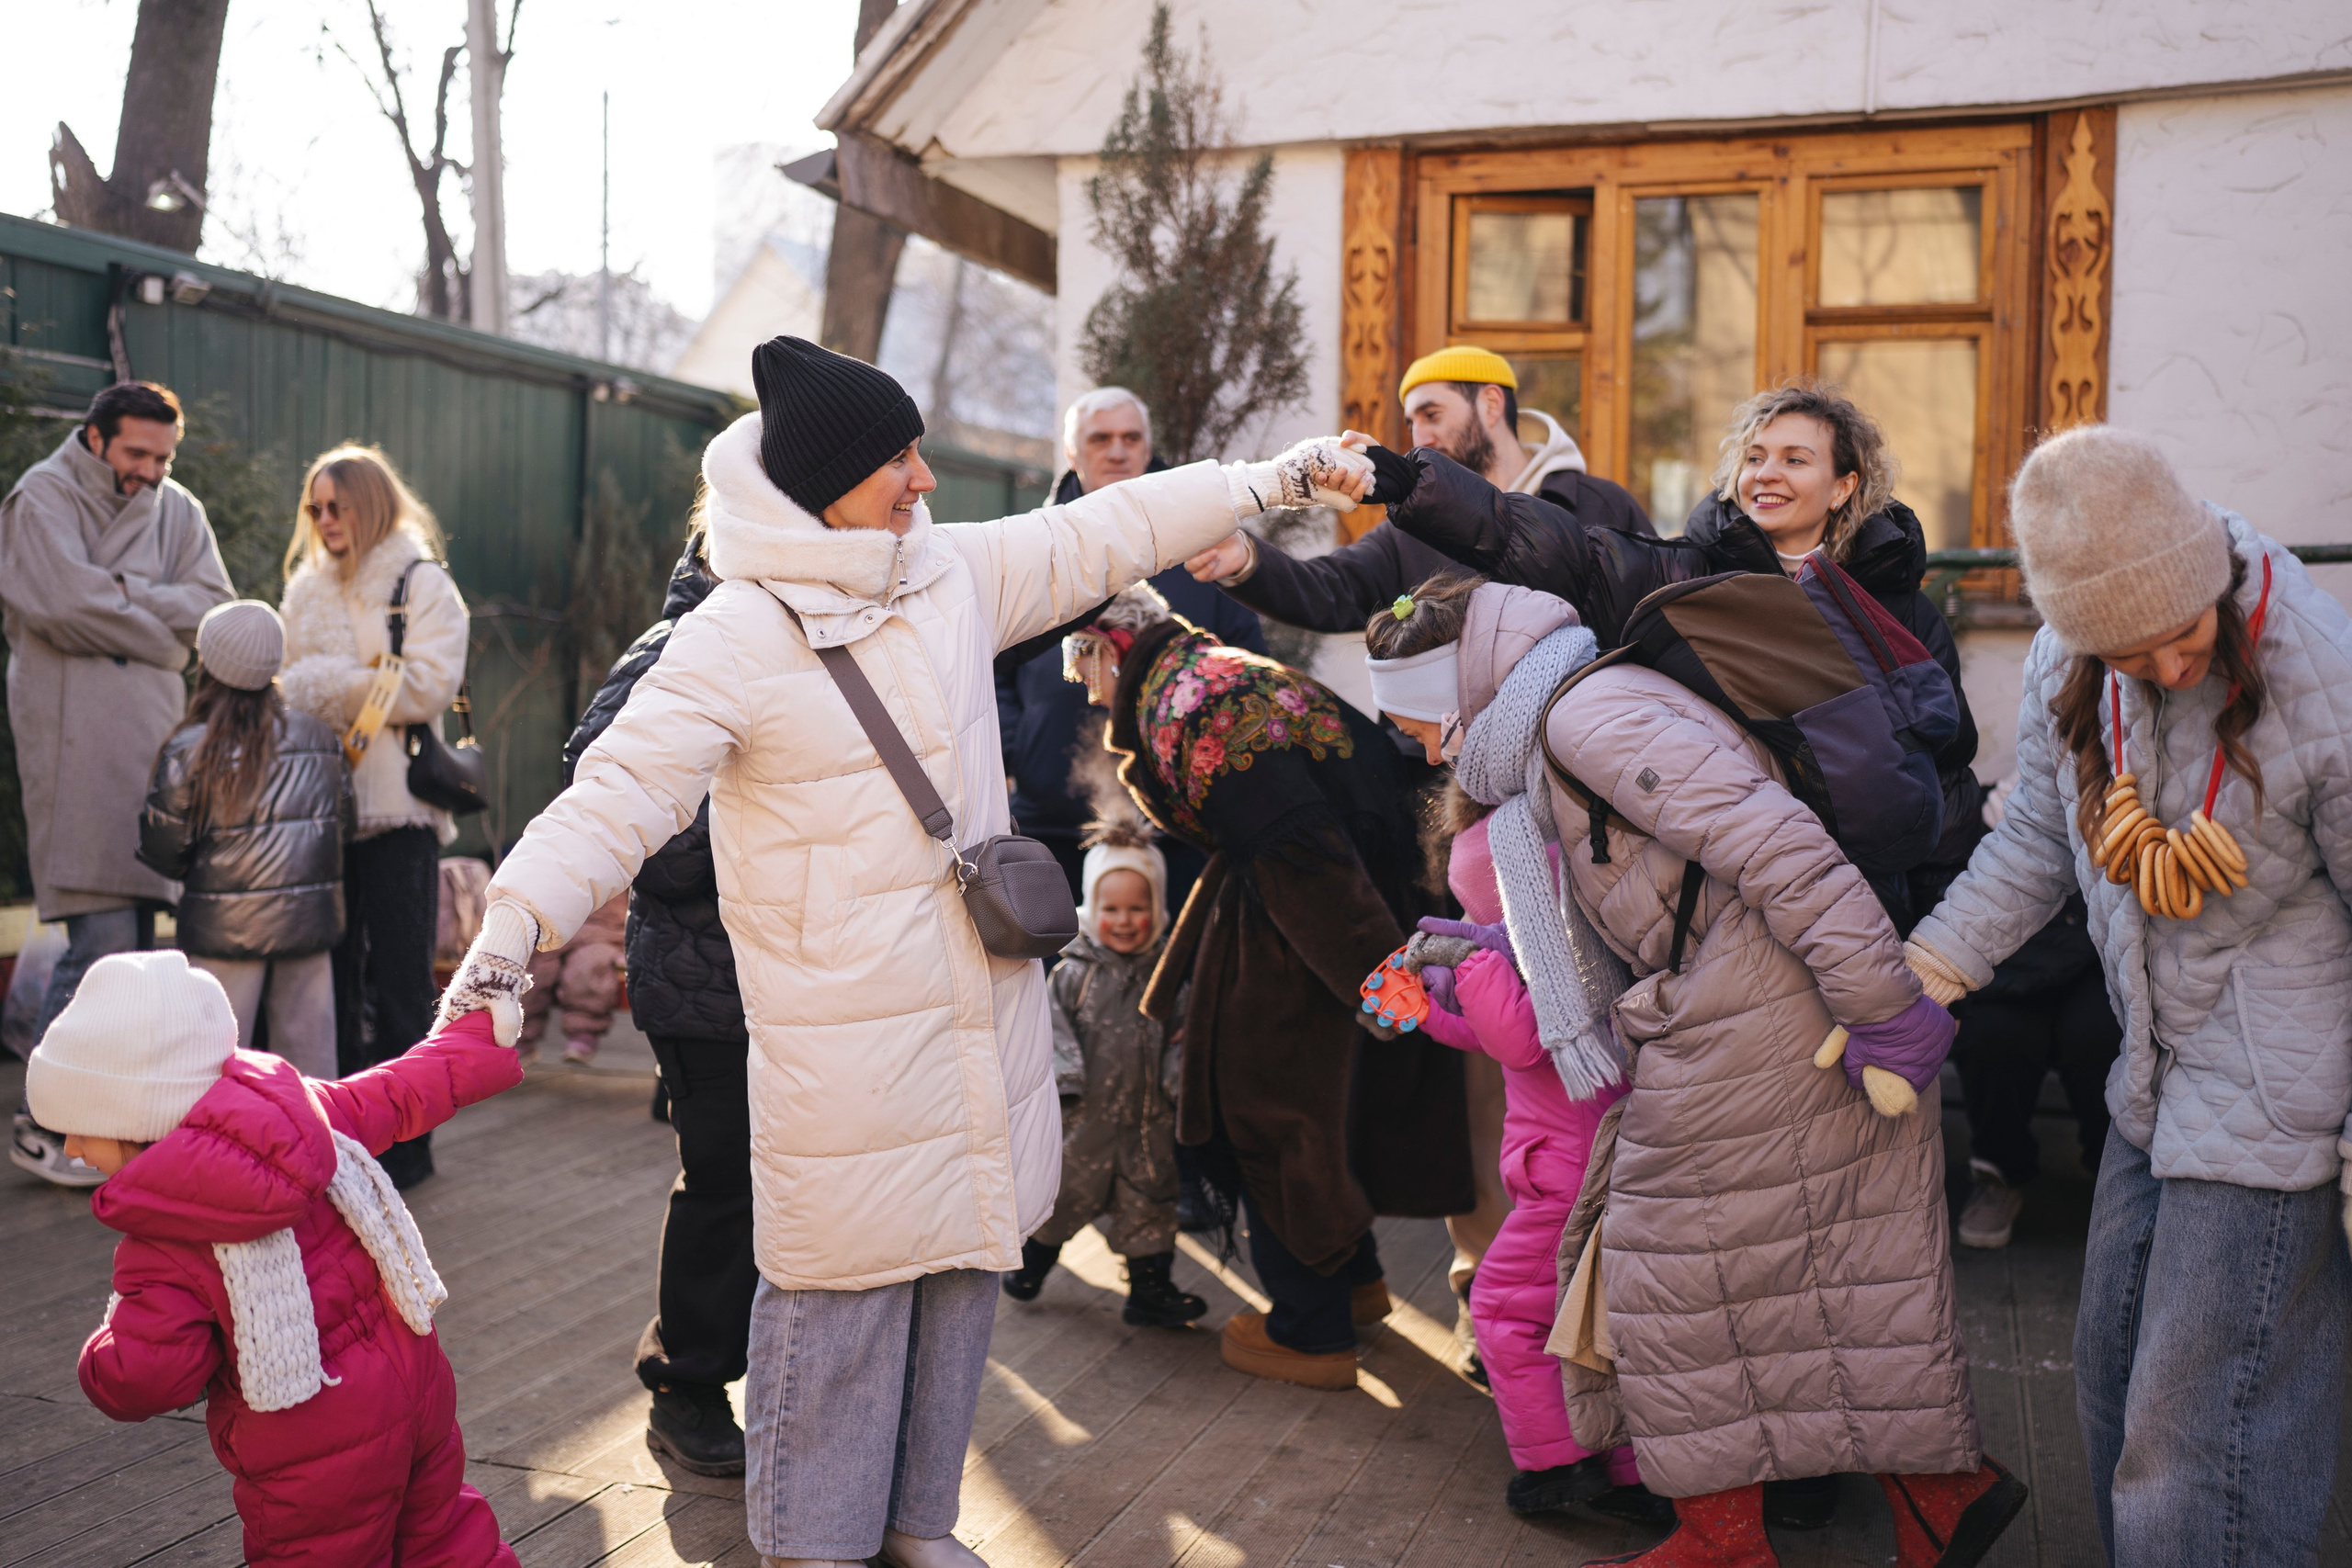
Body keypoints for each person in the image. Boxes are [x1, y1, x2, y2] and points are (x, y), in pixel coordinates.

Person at [434, 335, 1370, 1568]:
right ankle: (813, 1545)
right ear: (824, 482)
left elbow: (1114, 525)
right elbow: (616, 794)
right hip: (846, 1037)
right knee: (839, 1303)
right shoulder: (736, 629)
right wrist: (512, 929)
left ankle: (918, 1522)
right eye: (897, 459)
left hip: (976, 1009)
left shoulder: (946, 572)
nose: (924, 477)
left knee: (962, 1270)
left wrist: (1272, 478)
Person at [1905, 426, 2352, 1566]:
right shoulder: (2069, 662)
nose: (2163, 668)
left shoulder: (2317, 670)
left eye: (2183, 635)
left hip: (2273, 1089)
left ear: (2207, 573)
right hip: (2150, 1073)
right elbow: (2035, 853)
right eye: (2126, 650)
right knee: (2107, 1381)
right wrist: (1928, 973)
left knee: (2197, 1428)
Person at [1527, 581, 2023, 1567]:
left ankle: (1739, 1537)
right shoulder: (1581, 717)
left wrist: (1883, 1011)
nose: (1428, 727)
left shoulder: (1589, 713)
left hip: (1771, 1003)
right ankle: (1934, 1497)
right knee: (1816, 1280)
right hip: (1762, 997)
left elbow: (1782, 850)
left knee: (1672, 1269)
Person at [1067, 581, 1473, 1392]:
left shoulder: (1189, 704)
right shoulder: (1209, 671)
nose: (1086, 691)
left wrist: (1385, 982)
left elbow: (1302, 851)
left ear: (1111, 646)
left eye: (1083, 670)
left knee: (1269, 1103)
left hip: (1325, 906)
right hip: (1341, 891)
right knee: (1321, 1097)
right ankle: (1352, 1284)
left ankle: (1309, 1328)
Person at [25, 948, 525, 1568]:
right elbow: (399, 1091)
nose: (71, 1147)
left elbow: (149, 1376)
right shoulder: (299, 1113)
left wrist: (103, 1353)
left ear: (138, 1118)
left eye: (79, 1125)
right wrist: (478, 1032)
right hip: (413, 1381)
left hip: (311, 1442)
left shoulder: (165, 1236)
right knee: (443, 1534)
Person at [1360, 576, 1657, 1527]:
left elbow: (1526, 1028)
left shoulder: (1517, 867)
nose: (1411, 742)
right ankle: (1622, 1471)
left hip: (1565, 1152)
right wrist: (1435, 996)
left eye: (1414, 721)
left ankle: (1554, 1470)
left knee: (1507, 1312)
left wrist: (1457, 966)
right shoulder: (1543, 812)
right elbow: (1514, 1021)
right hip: (1582, 1137)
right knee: (1590, 1314)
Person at [560, 531, 757, 1479]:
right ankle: (687, 1385)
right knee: (725, 1181)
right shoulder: (673, 648)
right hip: (701, 972)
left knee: (780, 1181)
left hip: (780, 972)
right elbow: (618, 810)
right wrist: (771, 841)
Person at [1, 379, 233, 1185]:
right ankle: (43, 1123)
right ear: (95, 438)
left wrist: (126, 607)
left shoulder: (180, 509)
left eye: (164, 457)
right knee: (97, 938)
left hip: (152, 744)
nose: (151, 471)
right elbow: (54, 600)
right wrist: (156, 624)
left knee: (138, 947)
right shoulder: (42, 497)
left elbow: (211, 610)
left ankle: (114, 1136)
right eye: (137, 453)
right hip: (73, 739)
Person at [278, 445, 469, 1190]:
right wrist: (353, 685)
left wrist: (326, 683)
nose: (325, 521)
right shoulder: (305, 592)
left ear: (372, 502)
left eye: (338, 505)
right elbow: (284, 691)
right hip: (319, 811)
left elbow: (424, 687)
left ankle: (409, 1144)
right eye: (314, 508)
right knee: (330, 982)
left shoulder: (419, 583)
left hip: (399, 812)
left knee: (399, 984)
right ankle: (346, 1135)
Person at [999, 386, 1267, 903]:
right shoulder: (1028, 549)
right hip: (1054, 825)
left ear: (1147, 450)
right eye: (1100, 439)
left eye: (1131, 438)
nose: (1117, 451)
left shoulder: (1201, 543)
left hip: (1179, 826)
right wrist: (1017, 753)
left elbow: (1247, 662)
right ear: (1072, 453)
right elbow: (988, 666)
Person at [1184, 345, 1654, 636]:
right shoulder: (1410, 526)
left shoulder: (1600, 504)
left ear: (1490, 403)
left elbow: (1650, 614)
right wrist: (1246, 559)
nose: (1419, 438)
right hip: (1436, 766)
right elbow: (1332, 590)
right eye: (1411, 422)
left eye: (1432, 415)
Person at [1001, 823, 1206, 1329]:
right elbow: (1051, 1026)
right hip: (1085, 1117)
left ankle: (1150, 1288)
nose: (1124, 921)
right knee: (1066, 1199)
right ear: (1092, 908)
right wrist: (1065, 1082)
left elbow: (1182, 1033)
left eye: (1138, 908)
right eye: (1110, 909)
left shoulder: (1166, 972)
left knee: (1150, 1200)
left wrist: (1180, 1082)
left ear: (1157, 909)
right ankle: (1031, 1265)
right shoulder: (1074, 971)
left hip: (1146, 1118)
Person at [136, 601, 354, 1076]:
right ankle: (319, 1151)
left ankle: (217, 1152)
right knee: (312, 1072)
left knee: (210, 1068)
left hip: (223, 931)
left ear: (209, 665)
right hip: (308, 925)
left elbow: (162, 848)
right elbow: (342, 830)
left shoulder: (190, 749)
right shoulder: (321, 739)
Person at [1948, 893, 2120, 1248]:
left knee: (2099, 1038)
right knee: (1993, 1036)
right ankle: (1999, 1172)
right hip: (2003, 953)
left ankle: (2115, 1181)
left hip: (2098, 948)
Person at [516, 893, 626, 1065]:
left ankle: (584, 1032)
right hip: (550, 923)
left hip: (603, 928)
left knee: (589, 966)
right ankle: (520, 1034)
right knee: (534, 970)